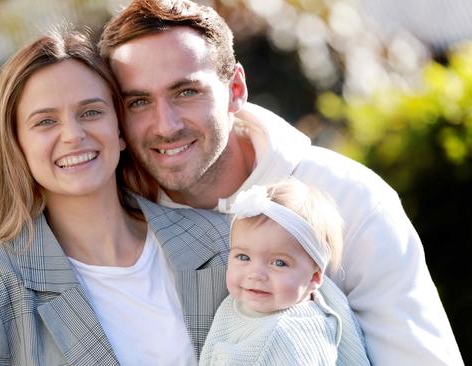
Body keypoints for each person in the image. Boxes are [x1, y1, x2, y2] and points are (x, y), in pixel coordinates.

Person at [98, 0, 463, 364]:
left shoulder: (351, 199)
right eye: (139, 102)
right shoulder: (111, 219)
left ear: (236, 88)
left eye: (186, 92)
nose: (166, 125)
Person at [0, 28, 230, 365]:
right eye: (46, 121)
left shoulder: (223, 242)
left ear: (119, 129)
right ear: (17, 146)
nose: (74, 135)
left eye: (91, 112)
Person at [199, 178, 369, 365]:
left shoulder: (287, 338)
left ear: (314, 277)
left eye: (279, 263)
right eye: (243, 257)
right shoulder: (241, 304)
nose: (255, 274)